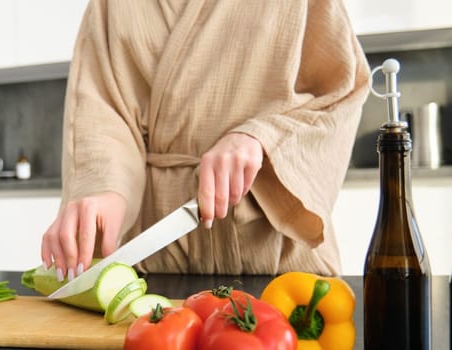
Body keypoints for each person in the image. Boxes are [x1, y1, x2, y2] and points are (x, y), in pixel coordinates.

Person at [41, 0, 370, 281]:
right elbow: (101, 107)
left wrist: (263, 138)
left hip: (279, 263)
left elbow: (341, 92)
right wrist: (104, 185)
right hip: (154, 259)